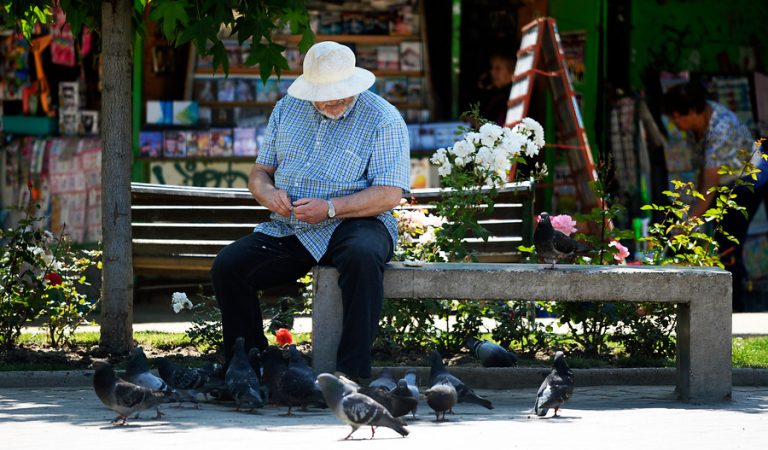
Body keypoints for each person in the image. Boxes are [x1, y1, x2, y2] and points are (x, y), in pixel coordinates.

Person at [210, 41, 410, 379]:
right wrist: (268, 194)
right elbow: (260, 173)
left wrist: (331, 208)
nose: (333, 100)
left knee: (362, 255)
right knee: (229, 266)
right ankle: (248, 368)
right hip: (294, 225)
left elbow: (389, 194)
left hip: (357, 221)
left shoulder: (383, 118)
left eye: (340, 93)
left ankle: (352, 373)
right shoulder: (287, 108)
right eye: (325, 94)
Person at [663, 80, 768, 311]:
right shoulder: (700, 117)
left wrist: (686, 224)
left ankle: (734, 309)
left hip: (747, 182)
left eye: (677, 117)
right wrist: (690, 215)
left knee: (728, 243)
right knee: (711, 236)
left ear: (691, 111)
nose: (675, 122)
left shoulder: (721, 130)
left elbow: (709, 189)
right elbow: (704, 175)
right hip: (725, 180)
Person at [477, 52, 515, 126]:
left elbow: (499, 127)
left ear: (511, 73)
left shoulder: (512, 97)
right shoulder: (496, 94)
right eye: (492, 68)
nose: (492, 72)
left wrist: (475, 122)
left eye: (498, 69)